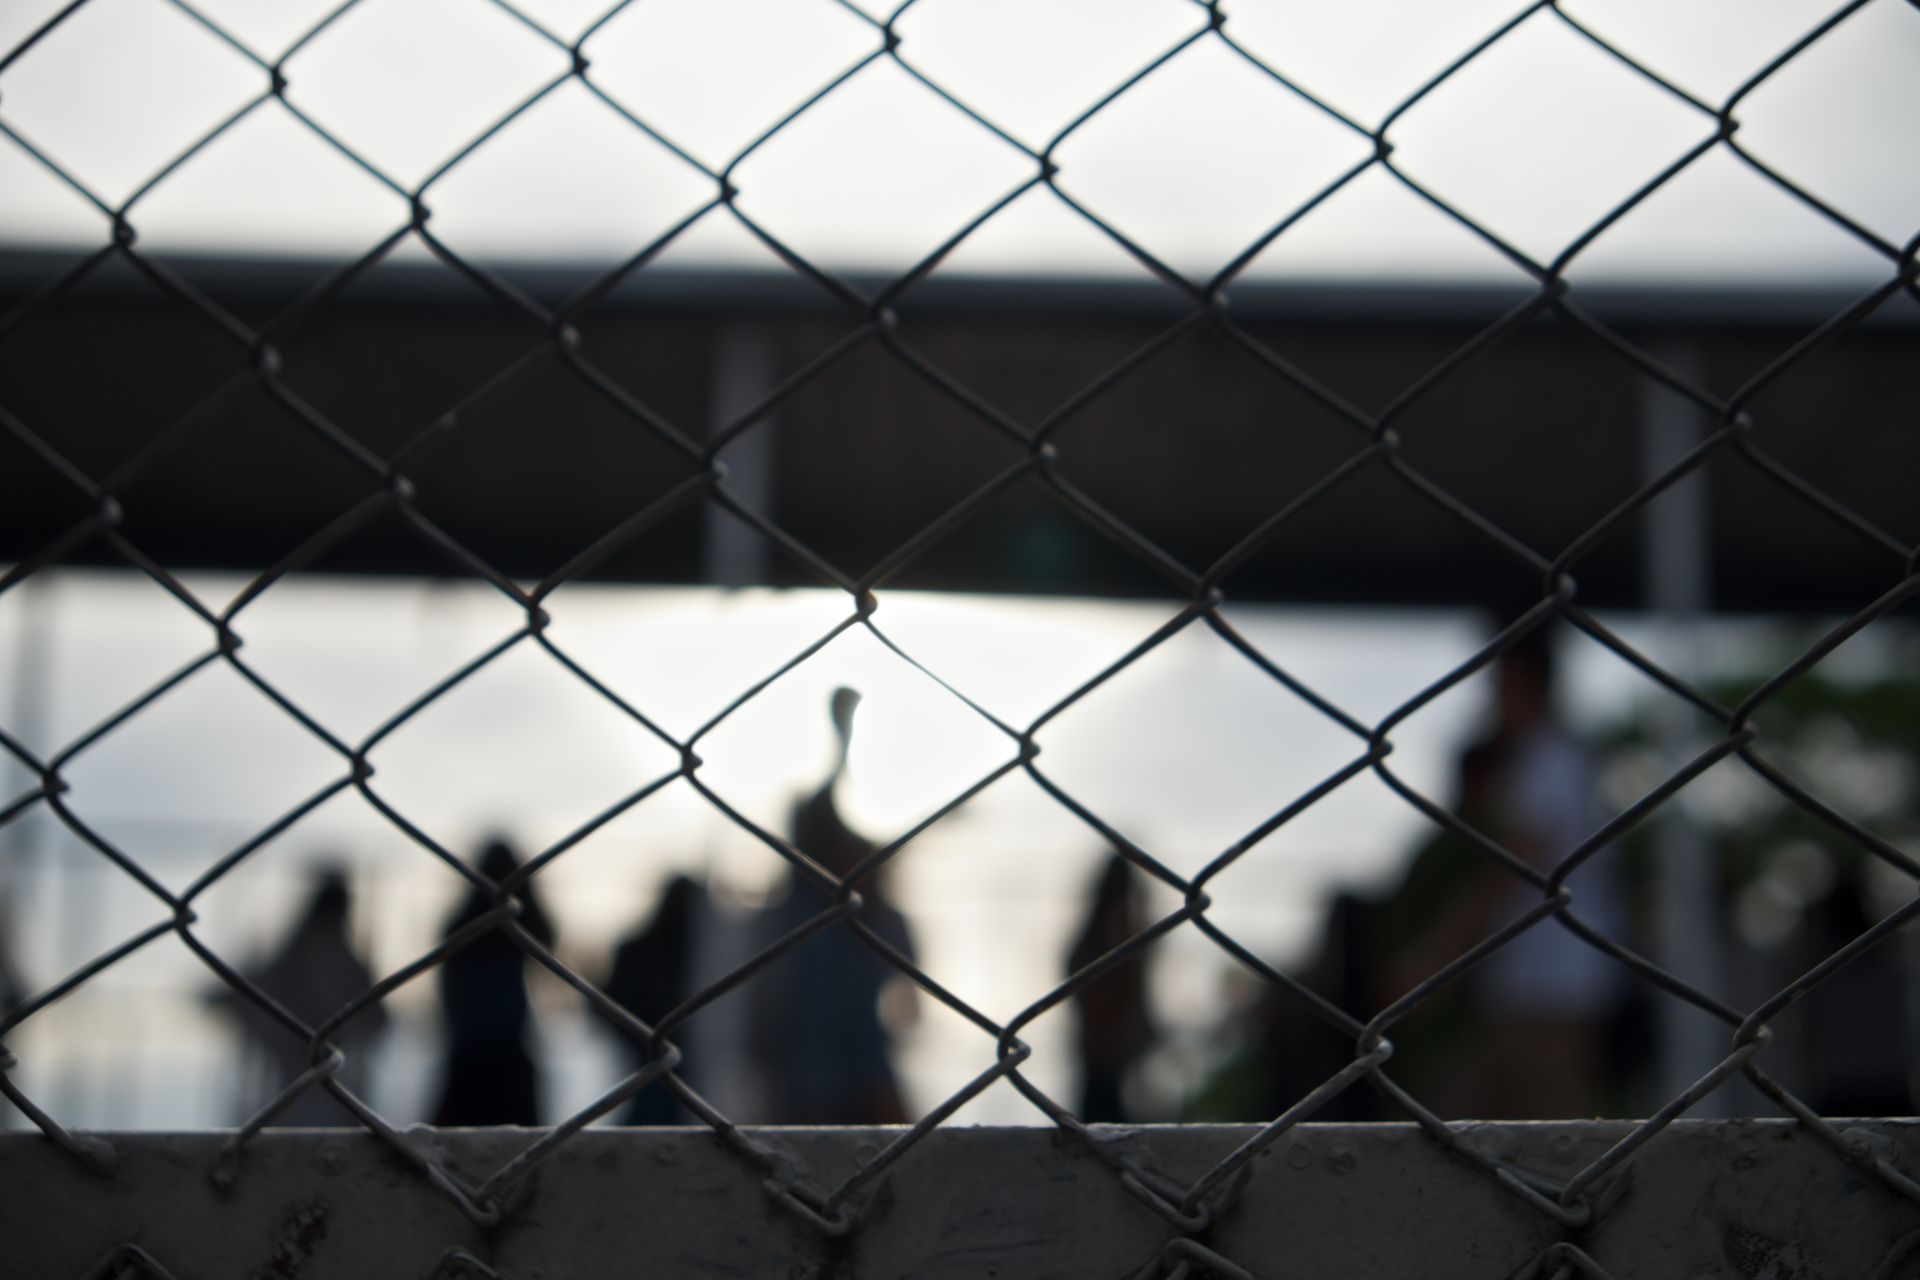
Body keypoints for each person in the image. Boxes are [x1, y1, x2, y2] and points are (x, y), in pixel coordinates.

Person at [748, 687, 917, 1124]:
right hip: (816, 1080)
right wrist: (843, 744)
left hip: (850, 1077)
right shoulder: (800, 908)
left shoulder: (870, 915)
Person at [217, 867, 386, 1126]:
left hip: (310, 1087)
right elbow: (377, 1020)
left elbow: (376, 1020)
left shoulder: (305, 960)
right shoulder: (325, 962)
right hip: (303, 1086)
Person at [430, 838, 554, 1127]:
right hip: (509, 1047)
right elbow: (549, 938)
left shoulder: (462, 925)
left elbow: (447, 989)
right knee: (521, 1138)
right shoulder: (522, 924)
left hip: (468, 1048)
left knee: (458, 1136)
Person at [603, 874, 702, 1124]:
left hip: (649, 1053)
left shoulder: (636, 950)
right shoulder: (697, 958)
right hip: (662, 1053)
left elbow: (605, 1004)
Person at [1066, 853, 1155, 1122]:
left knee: (1099, 1118)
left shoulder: (1094, 939)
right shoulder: (1116, 939)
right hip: (1107, 1056)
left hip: (1103, 1056)